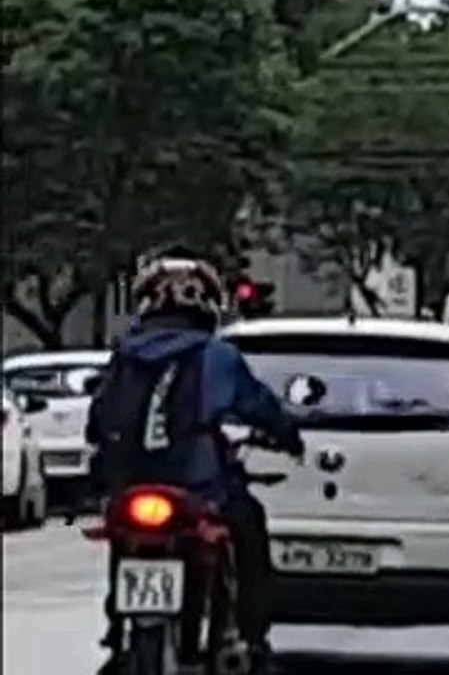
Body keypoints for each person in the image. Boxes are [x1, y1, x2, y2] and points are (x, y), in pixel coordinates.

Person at [87, 248, 304, 675]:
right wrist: (287, 438)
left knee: (122, 535)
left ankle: (117, 629)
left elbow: (98, 420)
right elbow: (261, 408)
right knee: (249, 527)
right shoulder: (218, 356)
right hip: (201, 488)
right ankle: (253, 637)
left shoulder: (124, 358)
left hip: (131, 487)